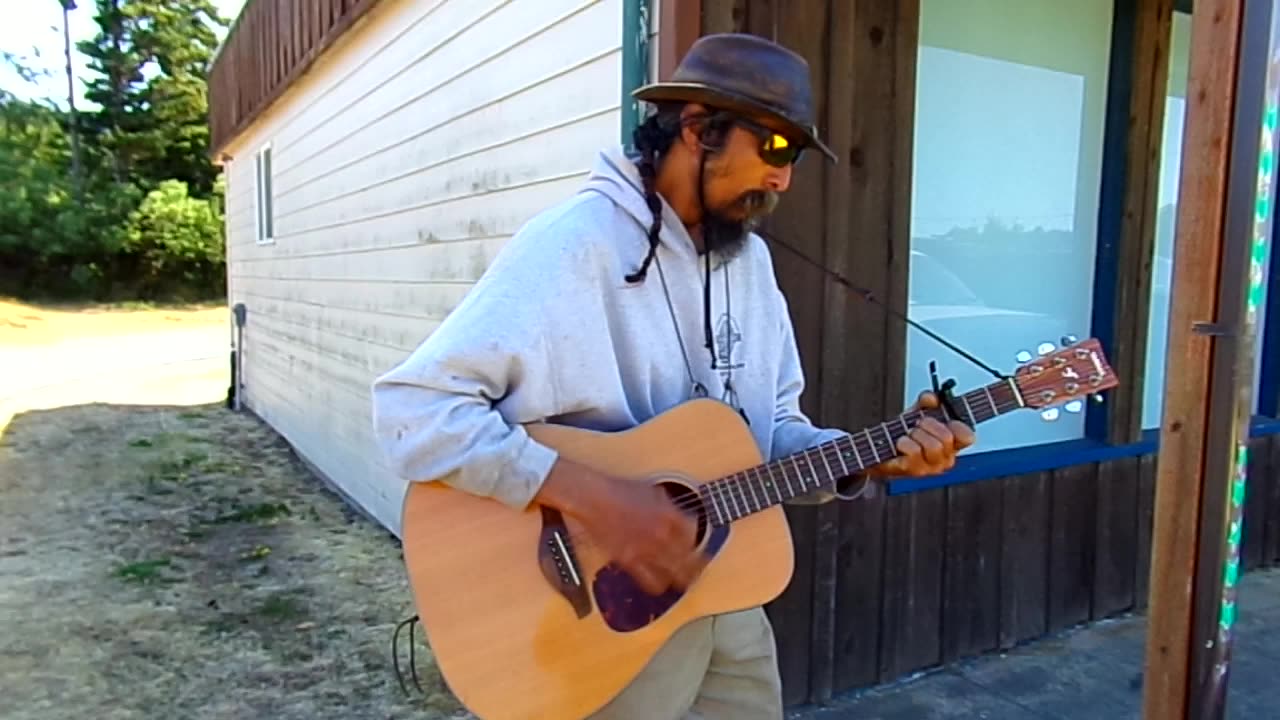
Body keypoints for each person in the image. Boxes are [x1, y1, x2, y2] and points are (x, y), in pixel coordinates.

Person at [371, 33, 976, 720]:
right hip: (591, 626)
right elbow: (412, 413)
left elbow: (768, 433)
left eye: (795, 156)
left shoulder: (750, 267)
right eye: (773, 148)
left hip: (726, 601)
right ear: (698, 128)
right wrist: (599, 499)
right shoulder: (574, 246)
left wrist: (868, 460)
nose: (783, 179)